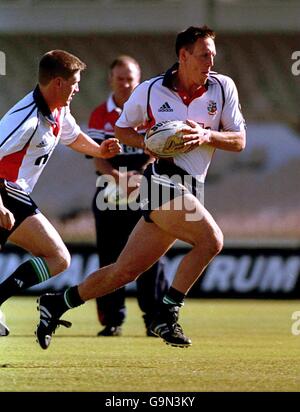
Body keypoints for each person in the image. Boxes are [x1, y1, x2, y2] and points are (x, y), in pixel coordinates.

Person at [36, 26, 246, 349]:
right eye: (205, 55)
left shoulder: (222, 87)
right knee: (211, 240)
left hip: (190, 187)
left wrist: (207, 136)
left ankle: (56, 302)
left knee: (122, 272)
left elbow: (240, 141)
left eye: (213, 55)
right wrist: (150, 142)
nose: (211, 61)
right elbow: (121, 130)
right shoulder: (150, 91)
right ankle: (167, 313)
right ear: (184, 56)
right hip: (162, 181)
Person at [0, 50, 121, 336]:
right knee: (58, 257)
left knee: (57, 258)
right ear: (57, 83)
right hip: (5, 191)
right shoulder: (24, 119)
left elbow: (73, 136)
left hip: (12, 194)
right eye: (74, 82)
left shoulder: (58, 110)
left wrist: (98, 150)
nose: (78, 88)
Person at [87, 55, 168, 337]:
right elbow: (97, 157)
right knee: (110, 257)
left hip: (147, 190)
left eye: (130, 79)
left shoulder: (151, 113)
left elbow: (156, 151)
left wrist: (140, 177)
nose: (125, 84)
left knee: (151, 255)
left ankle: (155, 320)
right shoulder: (100, 114)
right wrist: (119, 178)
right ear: (111, 80)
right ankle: (112, 320)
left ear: (139, 80)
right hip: (109, 195)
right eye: (120, 78)